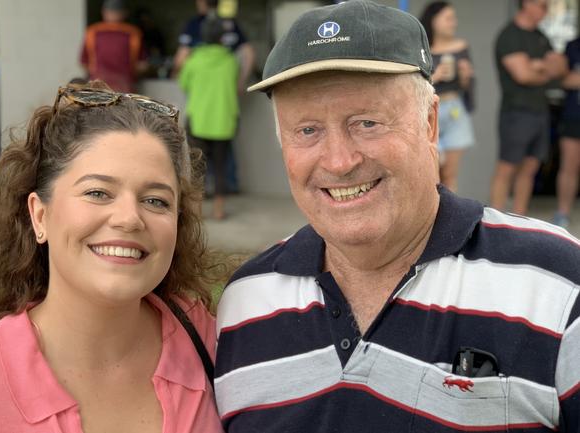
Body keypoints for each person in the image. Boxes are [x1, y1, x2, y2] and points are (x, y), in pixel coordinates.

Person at [213, 1, 580, 432]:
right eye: (307, 130)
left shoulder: (558, 285)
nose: (339, 160)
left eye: (366, 122)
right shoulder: (244, 304)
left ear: (430, 124)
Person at [0, 81, 224, 432]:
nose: (129, 217)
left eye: (155, 200)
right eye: (98, 192)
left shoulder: (215, 343)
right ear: (39, 216)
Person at [490, 0, 568, 215]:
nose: (545, 10)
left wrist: (538, 66)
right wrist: (544, 67)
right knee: (507, 168)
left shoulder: (541, 36)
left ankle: (520, 218)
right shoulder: (510, 36)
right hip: (516, 112)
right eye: (541, 5)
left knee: (530, 168)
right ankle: (494, 223)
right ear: (526, 4)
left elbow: (561, 67)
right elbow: (522, 75)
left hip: (540, 112)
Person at [179, 13, 239, 220]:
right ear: (223, 37)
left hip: (198, 119)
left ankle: (196, 212)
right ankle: (219, 210)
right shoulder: (230, 61)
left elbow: (183, 84)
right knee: (221, 167)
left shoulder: (194, 60)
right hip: (223, 120)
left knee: (196, 167)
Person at [419, 1, 475, 192]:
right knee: (433, 171)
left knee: (451, 172)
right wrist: (436, 76)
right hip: (428, 110)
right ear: (434, 21)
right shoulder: (421, 49)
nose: (454, 23)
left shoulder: (461, 46)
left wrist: (466, 76)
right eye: (449, 18)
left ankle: (452, 218)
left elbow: (466, 86)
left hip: (455, 109)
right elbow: (412, 85)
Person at [80, 0, 148, 92]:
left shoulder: (92, 31)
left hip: (98, 88)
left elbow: (84, 63)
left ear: (103, 12)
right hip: (124, 87)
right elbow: (142, 65)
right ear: (125, 13)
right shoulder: (133, 33)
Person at [553, 36, 580, 228]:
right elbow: (565, 80)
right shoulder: (573, 46)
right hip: (574, 115)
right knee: (569, 166)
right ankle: (562, 213)